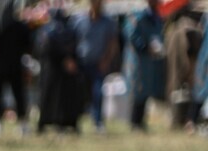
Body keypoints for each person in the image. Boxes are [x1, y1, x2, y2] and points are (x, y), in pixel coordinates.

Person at [36, 1, 85, 132]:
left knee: (53, 97)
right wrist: (68, 60)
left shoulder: (47, 30)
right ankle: (62, 122)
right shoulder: (64, 30)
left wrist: (66, 60)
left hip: (53, 70)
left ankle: (53, 122)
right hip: (59, 70)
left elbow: (43, 49)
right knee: (57, 98)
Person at [0, 0, 31, 138]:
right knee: (8, 95)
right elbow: (28, 45)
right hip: (10, 66)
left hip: (4, 67)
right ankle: (12, 123)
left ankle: (16, 123)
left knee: (7, 95)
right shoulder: (18, 26)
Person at [73, 0, 118, 132]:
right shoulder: (79, 21)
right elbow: (72, 39)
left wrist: (107, 60)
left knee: (97, 93)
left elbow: (112, 43)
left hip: (98, 64)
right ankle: (75, 123)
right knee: (79, 94)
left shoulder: (108, 22)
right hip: (81, 63)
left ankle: (98, 122)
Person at [124, 0, 165, 130]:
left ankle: (140, 121)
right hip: (138, 59)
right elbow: (131, 35)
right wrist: (145, 46)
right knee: (137, 90)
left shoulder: (157, 17)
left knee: (147, 89)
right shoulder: (138, 16)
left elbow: (158, 35)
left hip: (150, 60)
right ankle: (134, 122)